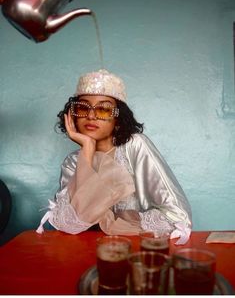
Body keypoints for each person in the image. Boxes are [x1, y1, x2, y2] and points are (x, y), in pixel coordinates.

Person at [37, 69, 192, 244]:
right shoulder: (73, 162)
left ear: (118, 119)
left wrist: (118, 224)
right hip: (90, 250)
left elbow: (178, 216)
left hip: (141, 249)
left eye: (103, 110)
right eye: (82, 107)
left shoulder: (135, 145)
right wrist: (87, 149)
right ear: (73, 116)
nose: (91, 115)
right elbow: (69, 223)